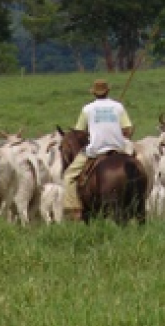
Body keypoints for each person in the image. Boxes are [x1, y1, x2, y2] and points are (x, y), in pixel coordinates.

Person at [62, 79, 134, 222]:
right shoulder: (118, 106)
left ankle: (75, 209)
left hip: (96, 150)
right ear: (108, 91)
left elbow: (79, 133)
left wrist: (92, 132)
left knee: (69, 176)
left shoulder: (87, 109)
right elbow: (128, 129)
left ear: (94, 93)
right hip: (119, 148)